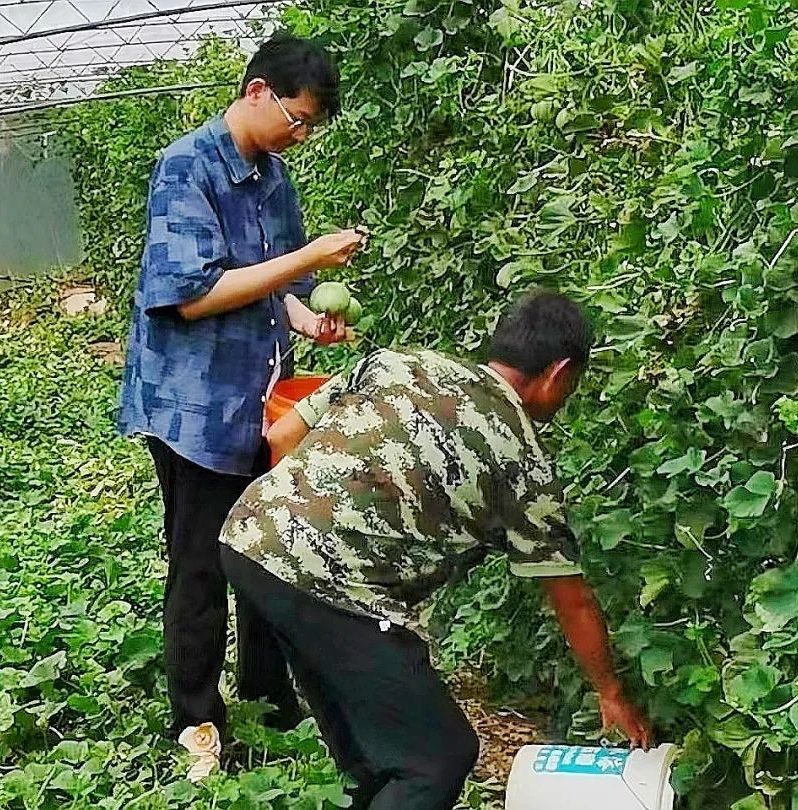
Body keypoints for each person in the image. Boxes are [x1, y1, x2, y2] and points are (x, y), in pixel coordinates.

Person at [214, 289, 653, 806]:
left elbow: (285, 434)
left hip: (248, 537)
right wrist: (610, 692)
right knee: (438, 759)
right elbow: (570, 598)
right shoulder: (522, 460)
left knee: (367, 751)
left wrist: (300, 522)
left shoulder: (397, 362)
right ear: (558, 374)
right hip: (331, 584)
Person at [116, 33, 365, 777]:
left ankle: (269, 701)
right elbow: (190, 296)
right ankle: (196, 722)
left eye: (311, 125)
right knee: (200, 564)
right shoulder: (184, 167)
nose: (302, 134)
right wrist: (310, 258)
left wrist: (307, 315)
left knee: (269, 554)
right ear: (257, 91)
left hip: (263, 403)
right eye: (297, 118)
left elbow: (275, 288)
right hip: (195, 408)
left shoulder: (274, 178)